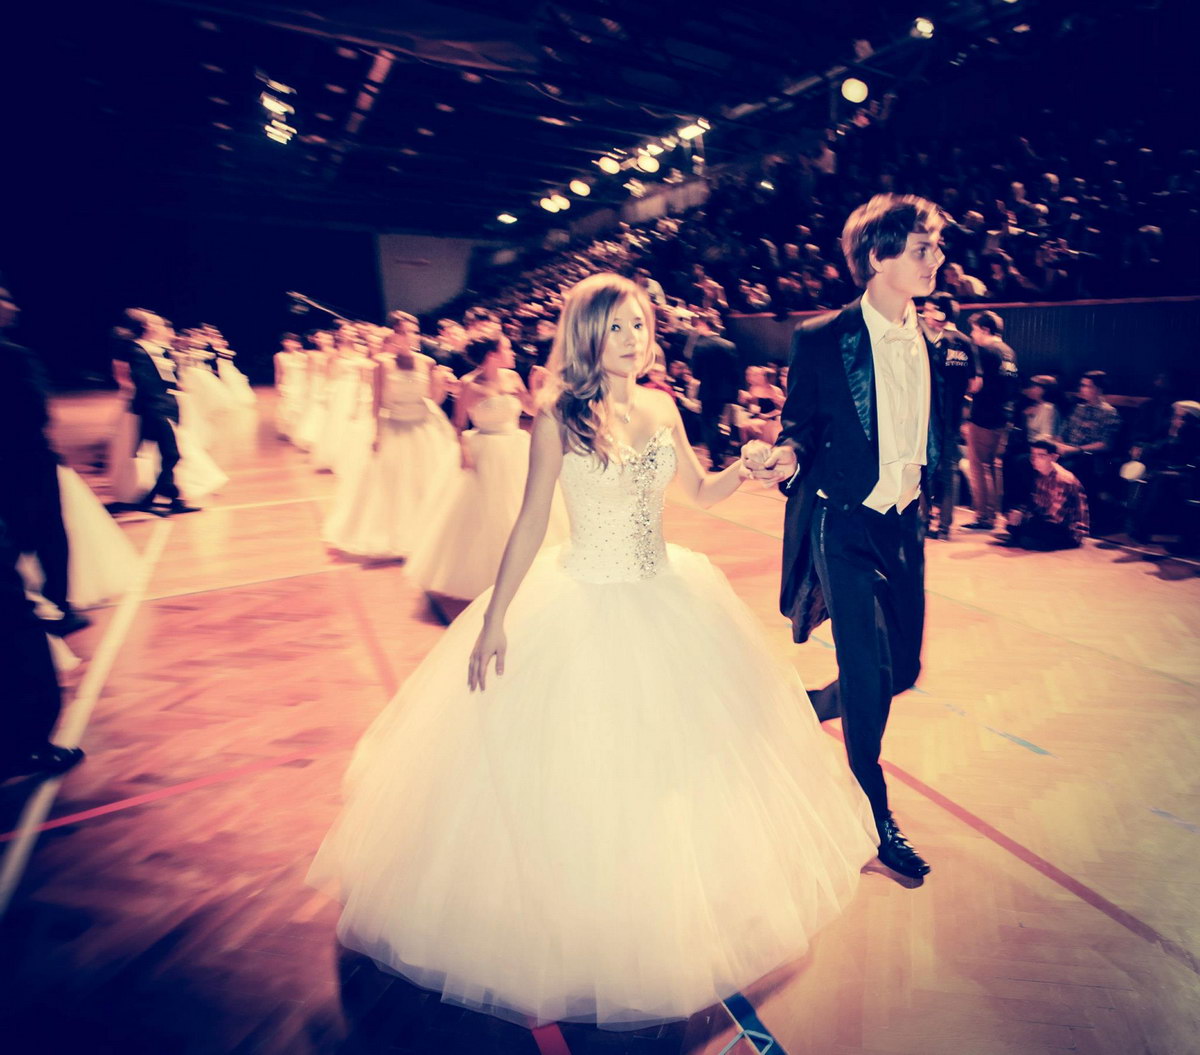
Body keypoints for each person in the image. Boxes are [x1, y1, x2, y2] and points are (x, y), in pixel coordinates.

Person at [309, 273, 876, 1029]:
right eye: (616, 327)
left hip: (666, 595)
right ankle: (579, 922)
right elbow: (528, 520)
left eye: (640, 324)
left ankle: (661, 912)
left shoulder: (663, 406)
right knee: (581, 773)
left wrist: (747, 466)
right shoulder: (557, 419)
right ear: (586, 336)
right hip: (580, 600)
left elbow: (700, 493)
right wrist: (495, 617)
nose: (634, 338)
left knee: (675, 775)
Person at [741, 193, 949, 879]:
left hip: (904, 528)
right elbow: (800, 425)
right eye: (922, 248)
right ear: (878, 257)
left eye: (936, 246)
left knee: (901, 672)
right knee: (866, 672)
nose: (936, 258)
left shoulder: (934, 340)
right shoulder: (823, 337)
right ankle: (873, 816)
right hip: (843, 524)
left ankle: (813, 705)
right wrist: (786, 456)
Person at [406, 335, 567, 601]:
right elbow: (459, 423)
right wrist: (465, 453)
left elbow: (531, 409)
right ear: (492, 354)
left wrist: (535, 385)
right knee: (489, 510)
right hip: (485, 449)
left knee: (524, 504)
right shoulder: (469, 384)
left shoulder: (512, 377)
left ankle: (528, 565)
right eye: (506, 348)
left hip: (516, 446)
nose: (512, 353)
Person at [322, 316, 458, 559]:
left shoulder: (427, 362)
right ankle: (398, 534)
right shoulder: (382, 364)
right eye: (405, 332)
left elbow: (433, 399)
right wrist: (376, 432)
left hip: (423, 425)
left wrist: (441, 383)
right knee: (394, 484)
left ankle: (429, 532)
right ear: (394, 335)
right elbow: (376, 401)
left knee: (427, 480)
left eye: (414, 331)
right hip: (394, 425)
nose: (411, 336)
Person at [0, 284, 88, 635]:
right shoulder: (15, 356)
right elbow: (37, 410)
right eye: (5, 300)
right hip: (25, 458)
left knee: (13, 533)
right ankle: (59, 606)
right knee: (47, 530)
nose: (13, 307)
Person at [111, 309, 200, 516]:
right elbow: (139, 382)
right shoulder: (134, 349)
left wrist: (178, 388)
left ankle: (172, 498)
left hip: (168, 405)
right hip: (153, 408)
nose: (162, 327)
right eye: (157, 323)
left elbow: (169, 378)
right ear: (147, 327)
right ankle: (154, 497)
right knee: (171, 454)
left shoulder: (161, 350)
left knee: (165, 454)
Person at [919, 292, 979, 538]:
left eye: (928, 309)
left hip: (927, 418)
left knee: (924, 469)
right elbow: (975, 383)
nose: (925, 314)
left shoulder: (928, 340)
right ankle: (945, 525)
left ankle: (923, 522)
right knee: (948, 470)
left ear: (941, 312)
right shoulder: (966, 341)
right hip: (952, 419)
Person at [963, 310, 1018, 530]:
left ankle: (984, 517)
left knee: (979, 467)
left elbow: (976, 385)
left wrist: (965, 395)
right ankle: (994, 513)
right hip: (1004, 416)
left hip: (984, 416)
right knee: (994, 467)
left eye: (974, 329)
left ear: (985, 329)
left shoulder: (986, 352)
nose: (972, 334)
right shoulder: (1009, 352)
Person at [998, 440, 1089, 550]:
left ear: (1053, 457)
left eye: (1041, 456)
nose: (1034, 460)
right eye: (1033, 455)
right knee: (1014, 524)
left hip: (1068, 530)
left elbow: (1054, 518)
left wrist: (1025, 519)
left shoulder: (1063, 480)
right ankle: (1024, 536)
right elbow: (1036, 504)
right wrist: (1020, 512)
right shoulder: (1040, 474)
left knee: (1028, 534)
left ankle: (1025, 537)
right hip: (1047, 522)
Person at [689, 313, 740, 470]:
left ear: (705, 325)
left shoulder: (701, 346)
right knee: (722, 422)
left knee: (708, 423)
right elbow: (735, 371)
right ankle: (724, 450)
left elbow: (696, 372)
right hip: (727, 392)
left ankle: (716, 459)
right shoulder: (729, 345)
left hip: (709, 391)